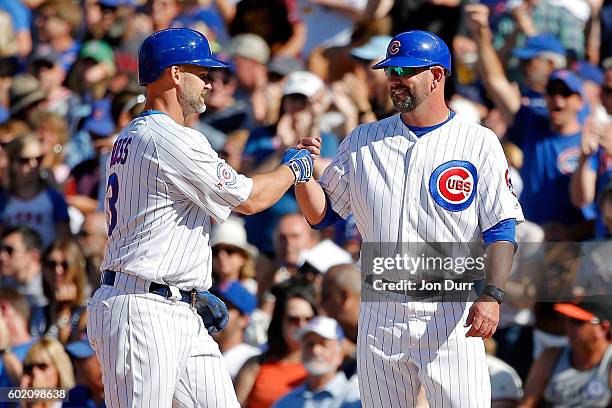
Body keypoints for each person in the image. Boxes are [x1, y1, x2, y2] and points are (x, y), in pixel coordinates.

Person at [86, 28, 313, 408]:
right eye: (202, 73)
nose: (210, 83)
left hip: (170, 304)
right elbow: (251, 200)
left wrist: (189, 287)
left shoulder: (134, 134)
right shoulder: (167, 136)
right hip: (143, 310)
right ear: (175, 74)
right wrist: (294, 168)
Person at [296, 30, 524, 406]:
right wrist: (302, 174)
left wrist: (493, 294)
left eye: (405, 70)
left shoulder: (477, 141)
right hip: (380, 308)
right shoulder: (363, 139)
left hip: (450, 308)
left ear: (437, 76)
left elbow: (501, 227)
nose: (394, 79)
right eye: (390, 70)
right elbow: (322, 215)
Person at [519, 296, 612, 407]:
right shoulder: (550, 356)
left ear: (602, 328)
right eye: (566, 319)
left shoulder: (608, 363)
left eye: (577, 321)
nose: (567, 325)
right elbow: (526, 404)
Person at [235, 285, 317, 408]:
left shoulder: (324, 365)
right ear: (280, 321)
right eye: (293, 319)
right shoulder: (256, 364)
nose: (302, 325)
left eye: (308, 319)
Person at [273, 316, 360, 408]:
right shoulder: (286, 402)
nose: (315, 350)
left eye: (324, 344)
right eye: (309, 344)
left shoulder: (357, 397)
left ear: (340, 354)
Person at [210, 280, 260, 381]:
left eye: (225, 307)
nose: (216, 313)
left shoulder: (253, 359)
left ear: (244, 320)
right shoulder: (198, 349)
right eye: (213, 305)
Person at [64, 339, 105, 407]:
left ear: (101, 361)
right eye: (74, 360)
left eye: (82, 360)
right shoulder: (74, 395)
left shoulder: (123, 394)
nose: (76, 365)